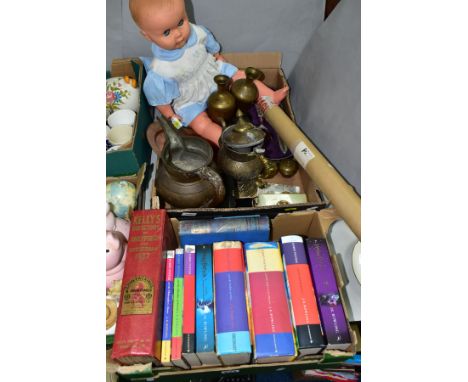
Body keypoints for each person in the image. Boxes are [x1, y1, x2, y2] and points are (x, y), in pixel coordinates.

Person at [129, 0, 288, 145]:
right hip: (189, 97)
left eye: (180, 22)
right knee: (200, 124)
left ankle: (270, 96)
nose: (178, 34)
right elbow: (161, 101)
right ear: (147, 36)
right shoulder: (161, 70)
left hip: (211, 72)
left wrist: (218, 56)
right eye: (166, 33)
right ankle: (225, 141)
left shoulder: (196, 33)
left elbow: (209, 44)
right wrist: (171, 115)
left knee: (242, 77)